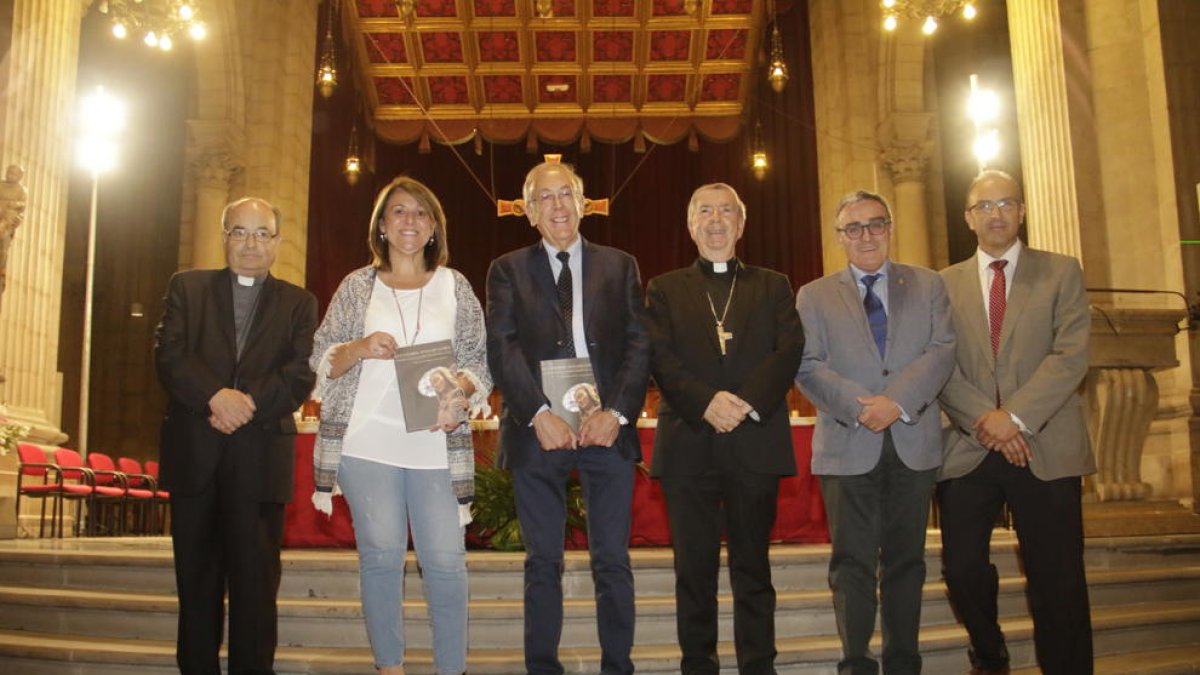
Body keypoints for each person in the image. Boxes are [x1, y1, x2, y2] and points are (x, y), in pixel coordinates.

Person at [309, 176, 491, 675]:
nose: (409, 221)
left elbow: (479, 362)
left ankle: (450, 670)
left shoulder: (455, 286)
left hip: (435, 444)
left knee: (447, 564)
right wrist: (360, 347)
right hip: (366, 443)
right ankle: (390, 668)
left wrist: (461, 390)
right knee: (382, 558)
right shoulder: (356, 285)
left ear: (434, 227)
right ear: (382, 226)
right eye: (398, 212)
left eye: (420, 213)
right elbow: (322, 355)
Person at [485, 160, 650, 675]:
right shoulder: (506, 269)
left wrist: (618, 413)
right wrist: (537, 412)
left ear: (584, 203)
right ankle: (542, 667)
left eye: (566, 195)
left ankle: (617, 667)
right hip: (538, 433)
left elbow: (639, 344)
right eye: (545, 198)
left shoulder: (619, 265)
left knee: (612, 561)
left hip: (606, 430)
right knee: (542, 564)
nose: (557, 206)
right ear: (529, 211)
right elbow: (502, 347)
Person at [938, 169, 1094, 675]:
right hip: (970, 445)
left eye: (1006, 203)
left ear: (1022, 211)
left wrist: (1017, 418)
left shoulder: (1061, 271)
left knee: (1059, 580)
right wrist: (989, 420)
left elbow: (1070, 356)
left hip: (1044, 444)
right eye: (984, 205)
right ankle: (989, 650)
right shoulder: (942, 284)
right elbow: (941, 363)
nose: (996, 213)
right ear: (968, 217)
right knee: (961, 569)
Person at [644, 182, 804, 675]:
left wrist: (744, 403)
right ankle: (699, 666)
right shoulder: (665, 288)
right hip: (689, 446)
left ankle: (759, 666)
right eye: (705, 212)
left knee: (753, 568)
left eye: (726, 211)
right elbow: (659, 357)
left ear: (741, 223)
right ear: (691, 225)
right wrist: (706, 403)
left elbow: (789, 349)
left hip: (753, 442)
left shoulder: (772, 285)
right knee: (693, 571)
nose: (716, 220)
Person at [794, 191, 956, 675]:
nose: (866, 235)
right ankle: (857, 662)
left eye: (875, 224)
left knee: (907, 562)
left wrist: (897, 402)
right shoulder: (814, 295)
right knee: (852, 563)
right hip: (847, 444)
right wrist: (861, 407)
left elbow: (943, 348)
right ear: (840, 237)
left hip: (913, 442)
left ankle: (904, 662)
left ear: (889, 227)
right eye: (854, 228)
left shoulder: (928, 285)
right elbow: (806, 365)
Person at [154, 197, 317, 675]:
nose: (250, 243)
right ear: (223, 237)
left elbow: (300, 371)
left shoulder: (299, 302)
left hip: (259, 460)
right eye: (240, 232)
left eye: (262, 233)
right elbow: (169, 355)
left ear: (277, 243)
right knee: (197, 587)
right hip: (196, 458)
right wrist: (213, 397)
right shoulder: (187, 287)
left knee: (255, 589)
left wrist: (243, 404)